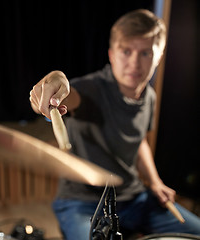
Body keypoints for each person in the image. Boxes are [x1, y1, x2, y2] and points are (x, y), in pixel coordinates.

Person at [29, 9, 200, 240]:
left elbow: (139, 141)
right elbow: (66, 94)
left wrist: (155, 182)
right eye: (126, 51)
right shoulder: (91, 90)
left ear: (158, 57)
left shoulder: (149, 96)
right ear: (111, 54)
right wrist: (54, 81)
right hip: (82, 203)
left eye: (145, 53)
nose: (134, 63)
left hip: (134, 197)